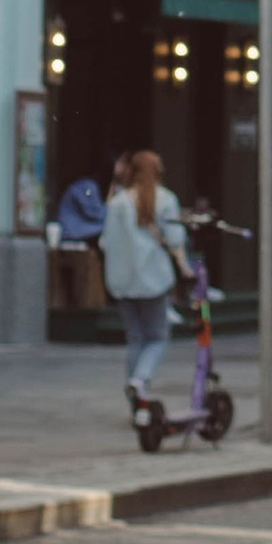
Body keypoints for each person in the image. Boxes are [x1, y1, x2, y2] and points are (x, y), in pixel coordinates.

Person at [104, 148, 194, 413]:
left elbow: (105, 241)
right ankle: (140, 381)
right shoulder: (165, 199)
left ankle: (136, 400)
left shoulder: (118, 202)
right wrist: (185, 268)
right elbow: (175, 239)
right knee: (157, 337)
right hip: (153, 277)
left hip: (122, 280)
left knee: (135, 338)